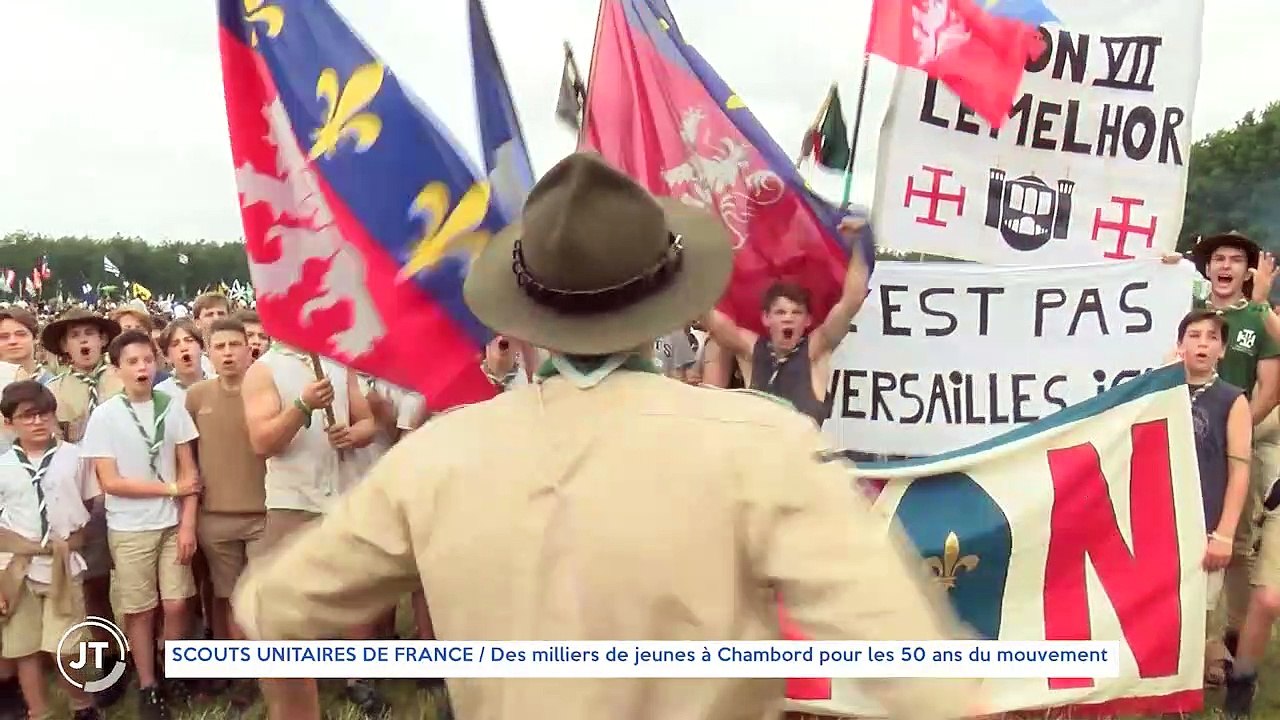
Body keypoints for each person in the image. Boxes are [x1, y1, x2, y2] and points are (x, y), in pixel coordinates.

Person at [231, 152, 978, 720]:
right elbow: (920, 671)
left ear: (523, 314)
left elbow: (272, 610)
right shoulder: (762, 447)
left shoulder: (435, 459)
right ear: (666, 307)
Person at [239, 342, 387, 719]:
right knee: (287, 608)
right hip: (293, 503)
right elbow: (262, 441)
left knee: (354, 593)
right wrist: (302, 406)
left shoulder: (339, 359)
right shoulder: (264, 370)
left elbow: (368, 422)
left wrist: (355, 435)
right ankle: (296, 694)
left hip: (342, 496)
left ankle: (359, 678)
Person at [81, 330, 201, 720]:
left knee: (178, 602)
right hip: (130, 528)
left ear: (157, 362)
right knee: (141, 609)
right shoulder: (105, 416)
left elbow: (191, 474)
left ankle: (170, 663)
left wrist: (187, 524)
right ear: (117, 370)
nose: (142, 367)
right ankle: (148, 683)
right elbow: (110, 481)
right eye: (132, 362)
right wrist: (169, 488)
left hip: (170, 525)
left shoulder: (172, 406)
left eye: (147, 360)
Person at [699, 218, 868, 426]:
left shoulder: (815, 351)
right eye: (780, 312)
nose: (788, 317)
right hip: (756, 456)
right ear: (766, 318)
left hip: (801, 457)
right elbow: (709, 317)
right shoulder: (752, 351)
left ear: (807, 321)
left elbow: (852, 300)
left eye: (796, 313)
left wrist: (860, 244)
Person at [0, 381, 102, 720]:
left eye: (44, 414)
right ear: (8, 423)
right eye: (27, 417)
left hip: (62, 564)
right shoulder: (4, 467)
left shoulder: (73, 458)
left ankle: (83, 706)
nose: (37, 422)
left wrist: (70, 540)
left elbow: (87, 502)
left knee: (67, 645)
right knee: (24, 646)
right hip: (17, 568)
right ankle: (38, 711)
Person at [40, 308, 125, 707]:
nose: (85, 342)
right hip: (84, 498)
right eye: (76, 336)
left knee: (139, 580)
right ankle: (107, 659)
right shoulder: (54, 390)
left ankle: (152, 659)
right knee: (93, 584)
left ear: (104, 340)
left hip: (128, 489)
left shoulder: (122, 377)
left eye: (91, 333)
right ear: (64, 346)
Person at [184, 318, 264, 712]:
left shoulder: (266, 392)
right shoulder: (196, 397)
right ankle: (244, 676)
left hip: (265, 512)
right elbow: (186, 458)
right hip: (215, 516)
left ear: (251, 348)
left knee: (264, 598)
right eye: (220, 346)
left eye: (236, 344)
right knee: (229, 598)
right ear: (209, 352)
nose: (229, 352)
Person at [1176, 311, 1252, 686]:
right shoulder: (1160, 392)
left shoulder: (1232, 400)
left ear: (1222, 350)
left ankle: (1188, 690)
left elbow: (1240, 470)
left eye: (1211, 337)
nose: (1202, 343)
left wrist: (1224, 533)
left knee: (1199, 610)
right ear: (1179, 345)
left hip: (1206, 520)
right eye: (1193, 335)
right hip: (1163, 519)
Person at [155, 319, 207, 408]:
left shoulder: (220, 384)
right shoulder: (161, 394)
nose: (183, 347)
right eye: (175, 344)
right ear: (167, 356)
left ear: (201, 347)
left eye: (189, 340)